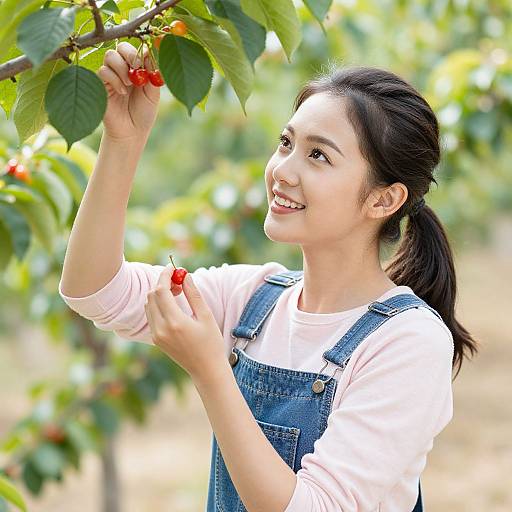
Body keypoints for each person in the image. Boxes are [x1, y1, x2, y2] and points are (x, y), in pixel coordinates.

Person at [58, 42, 478, 511]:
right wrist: (123, 142)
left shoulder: (408, 342)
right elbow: (93, 290)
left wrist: (211, 372)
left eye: (318, 156)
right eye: (286, 143)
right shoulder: (252, 299)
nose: (283, 171)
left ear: (383, 200)